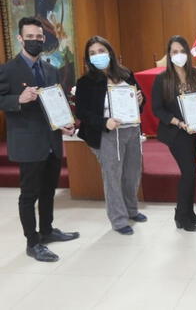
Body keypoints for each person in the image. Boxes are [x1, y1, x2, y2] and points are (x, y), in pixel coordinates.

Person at [0, 17, 79, 262]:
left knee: (48, 191)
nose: (35, 41)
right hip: (28, 142)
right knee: (29, 194)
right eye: (29, 37)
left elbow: (54, 103)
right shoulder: (7, 70)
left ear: (43, 39)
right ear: (20, 38)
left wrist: (64, 123)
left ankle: (47, 231)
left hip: (52, 141)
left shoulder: (51, 69)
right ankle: (32, 242)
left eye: (38, 37)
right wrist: (17, 100)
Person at [75, 36, 147, 235]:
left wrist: (140, 100)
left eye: (101, 51)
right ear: (88, 58)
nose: (98, 55)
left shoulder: (126, 74)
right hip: (107, 133)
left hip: (131, 130)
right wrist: (104, 122)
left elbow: (140, 99)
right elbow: (81, 112)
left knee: (132, 173)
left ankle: (132, 210)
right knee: (113, 177)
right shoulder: (85, 82)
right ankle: (118, 219)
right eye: (92, 53)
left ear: (110, 52)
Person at [153, 36, 196, 232]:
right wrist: (179, 123)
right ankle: (181, 215)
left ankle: (189, 212)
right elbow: (157, 109)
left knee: (192, 172)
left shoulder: (195, 74)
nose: (179, 55)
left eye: (182, 51)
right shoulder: (162, 79)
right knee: (188, 172)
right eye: (174, 52)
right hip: (177, 133)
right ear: (169, 55)